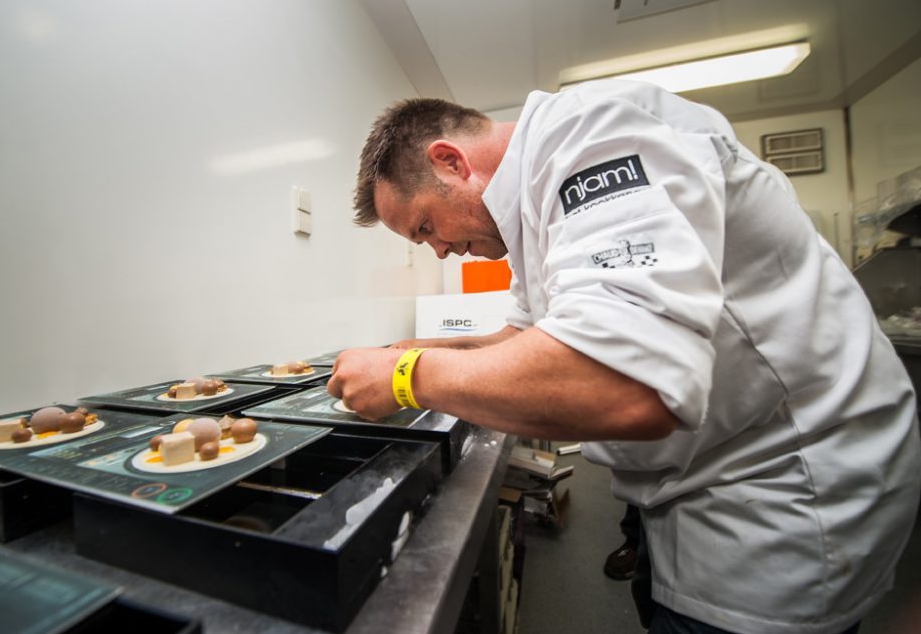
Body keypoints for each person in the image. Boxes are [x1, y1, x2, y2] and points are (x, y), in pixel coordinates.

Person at [326, 80, 921, 634]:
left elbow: (625, 383)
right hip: (702, 480)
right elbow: (526, 338)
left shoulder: (589, 135)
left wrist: (407, 377)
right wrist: (415, 348)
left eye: (427, 226)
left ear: (451, 162)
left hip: (780, 493)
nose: (440, 251)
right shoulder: (531, 206)